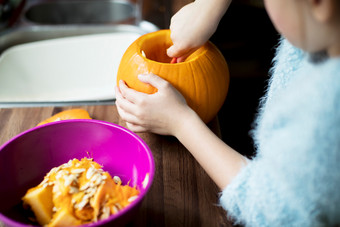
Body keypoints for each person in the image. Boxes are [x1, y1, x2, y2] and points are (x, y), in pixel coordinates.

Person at [115, 0, 340, 226]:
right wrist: (209, 6)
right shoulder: (320, 36)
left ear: (320, 5)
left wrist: (181, 122)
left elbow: (271, 207)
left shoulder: (326, 109)